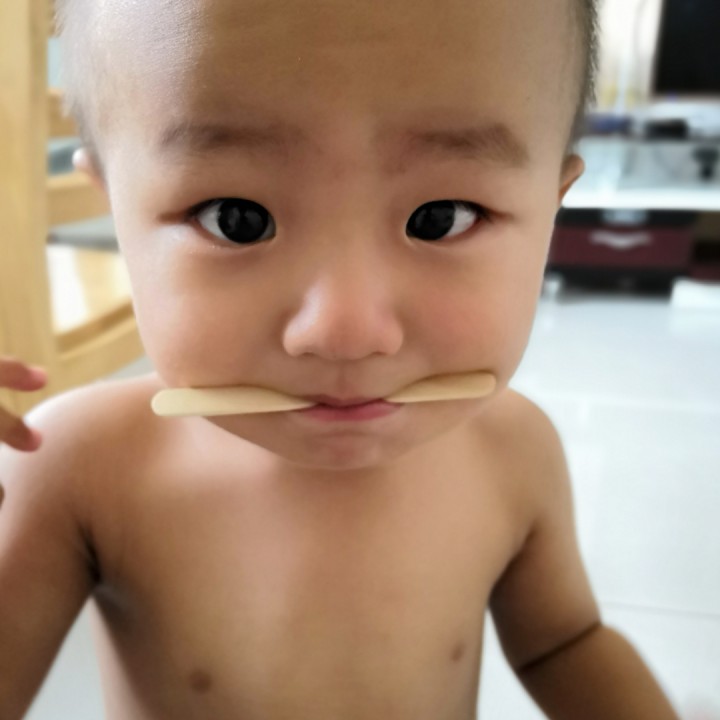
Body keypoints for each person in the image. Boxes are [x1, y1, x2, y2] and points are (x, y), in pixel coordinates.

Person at [0, 0, 681, 717]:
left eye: (441, 217)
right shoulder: (73, 466)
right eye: (236, 218)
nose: (345, 332)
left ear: (554, 203)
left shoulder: (515, 452)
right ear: (113, 205)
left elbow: (564, 643)